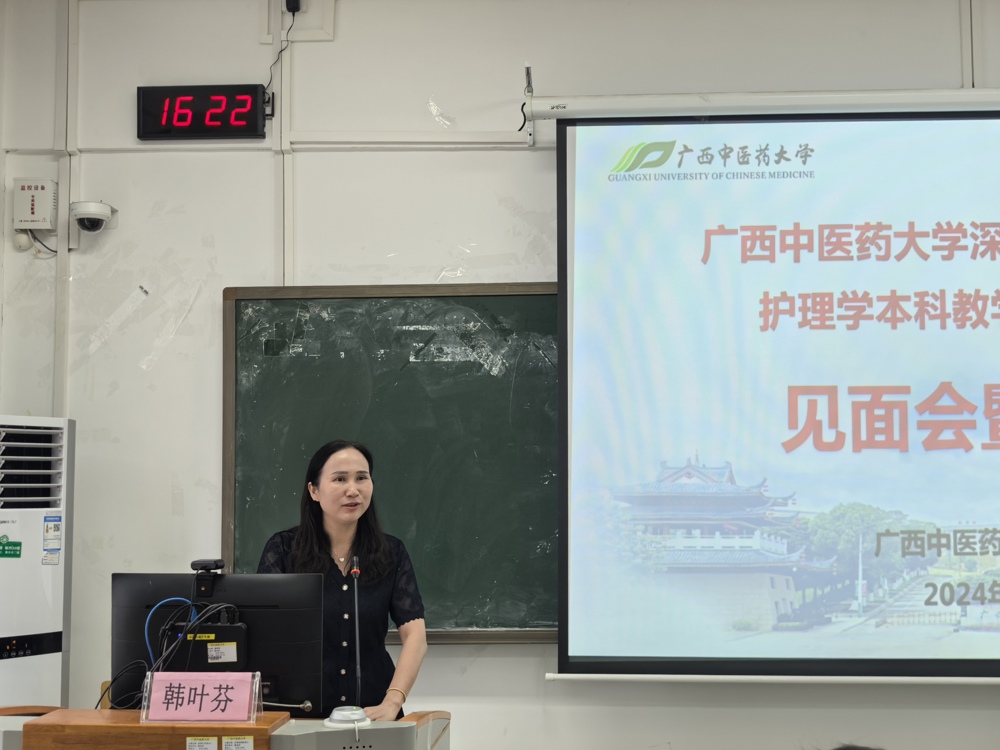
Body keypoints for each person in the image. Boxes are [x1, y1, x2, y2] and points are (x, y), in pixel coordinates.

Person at [257, 439, 427, 721]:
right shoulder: (284, 550)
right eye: (340, 479)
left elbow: (415, 636)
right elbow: (264, 637)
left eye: (362, 478)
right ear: (314, 490)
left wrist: (392, 701)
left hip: (374, 714)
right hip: (301, 714)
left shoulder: (391, 552)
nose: (353, 490)